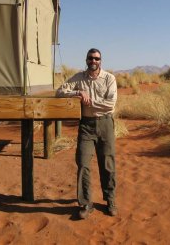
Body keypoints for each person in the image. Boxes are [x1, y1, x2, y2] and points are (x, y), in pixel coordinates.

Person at [56, 48, 118, 219]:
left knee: (107, 164)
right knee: (83, 163)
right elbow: (59, 92)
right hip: (86, 126)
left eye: (96, 58)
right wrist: (77, 93)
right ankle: (86, 203)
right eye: (90, 58)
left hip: (105, 123)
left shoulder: (109, 78)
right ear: (86, 60)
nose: (93, 61)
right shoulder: (79, 78)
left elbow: (110, 104)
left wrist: (88, 103)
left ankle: (110, 200)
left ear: (101, 60)